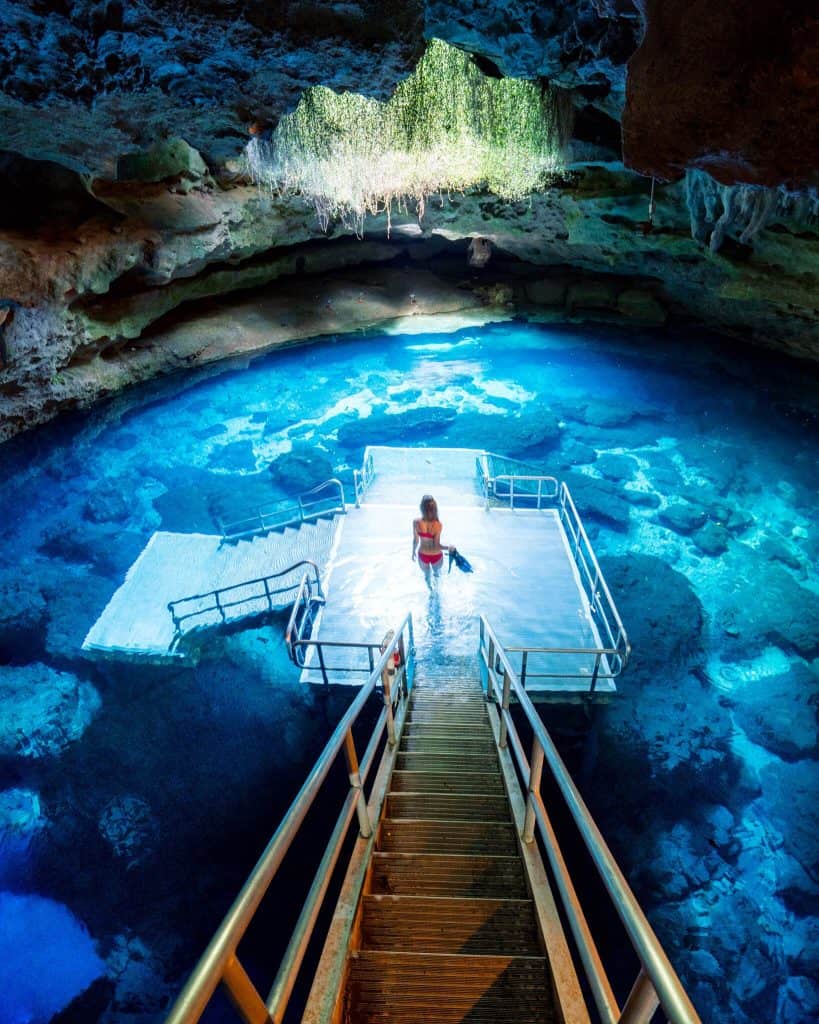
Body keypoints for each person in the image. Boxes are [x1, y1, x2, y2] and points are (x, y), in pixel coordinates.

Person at [412, 494, 455, 582]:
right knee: (437, 576)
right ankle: (436, 593)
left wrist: (413, 551)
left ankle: (431, 592)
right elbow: (437, 545)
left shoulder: (416, 522)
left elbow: (416, 540)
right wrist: (449, 547)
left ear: (421, 508)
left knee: (427, 576)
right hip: (436, 555)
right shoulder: (438, 524)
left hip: (423, 554)